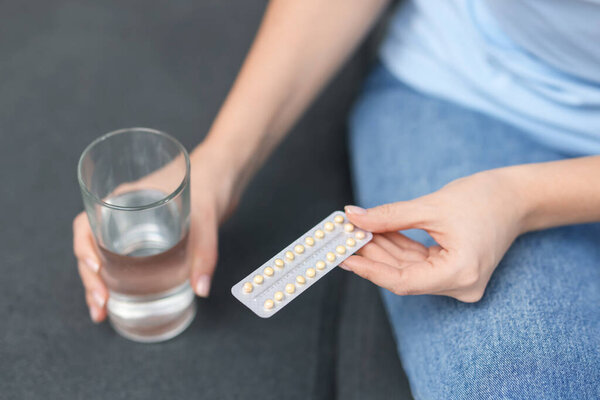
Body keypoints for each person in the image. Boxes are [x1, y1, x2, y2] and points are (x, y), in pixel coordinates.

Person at [73, 0, 600, 397]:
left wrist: (521, 196)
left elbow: (517, 197)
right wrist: (223, 160)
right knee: (515, 376)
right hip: (469, 88)